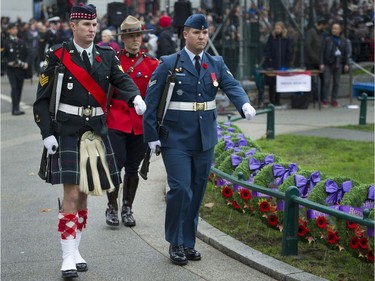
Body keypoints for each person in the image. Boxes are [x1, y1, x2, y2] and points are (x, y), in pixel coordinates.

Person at [33, 4, 146, 279]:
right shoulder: (58, 56)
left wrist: (135, 97)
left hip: (95, 133)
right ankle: (67, 256)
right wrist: (47, 133)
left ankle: (77, 249)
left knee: (83, 194)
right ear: (73, 26)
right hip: (67, 132)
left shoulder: (105, 56)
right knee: (72, 193)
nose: (92, 29)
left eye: (95, 25)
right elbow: (41, 99)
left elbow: (122, 80)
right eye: (86, 25)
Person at [143, 14, 256, 266]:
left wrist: (244, 103)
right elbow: (152, 102)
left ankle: (188, 242)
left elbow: (232, 84)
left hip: (204, 139)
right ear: (185, 34)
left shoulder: (215, 62)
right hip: (176, 139)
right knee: (181, 188)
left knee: (196, 192)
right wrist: (150, 136)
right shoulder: (170, 63)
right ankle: (175, 241)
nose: (202, 37)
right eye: (196, 32)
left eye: (205, 33)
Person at [105, 15, 158, 227]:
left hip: (139, 123)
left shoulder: (152, 63)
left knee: (133, 167)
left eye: (138, 35)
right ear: (123, 39)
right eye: (131, 36)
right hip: (116, 119)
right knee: (114, 165)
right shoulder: (113, 61)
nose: (135, 40)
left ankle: (127, 208)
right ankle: (111, 207)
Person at [320, 21, 350, 108]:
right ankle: (325, 100)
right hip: (328, 63)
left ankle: (334, 99)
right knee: (326, 82)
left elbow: (346, 53)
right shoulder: (327, 39)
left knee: (336, 82)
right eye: (333, 28)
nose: (334, 30)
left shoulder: (344, 41)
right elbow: (322, 51)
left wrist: (346, 64)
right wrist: (321, 63)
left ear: (340, 30)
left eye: (336, 29)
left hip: (338, 63)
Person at [1, 22, 30, 115]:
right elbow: (2, 56)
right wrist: (8, 63)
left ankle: (17, 107)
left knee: (19, 88)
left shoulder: (21, 41)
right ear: (9, 30)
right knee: (14, 87)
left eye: (16, 29)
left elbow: (28, 54)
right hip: (11, 70)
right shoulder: (5, 42)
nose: (15, 31)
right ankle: (14, 109)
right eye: (13, 29)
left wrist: (26, 63)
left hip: (20, 69)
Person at [263, 21, 293, 106]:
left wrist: (287, 63)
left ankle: (277, 99)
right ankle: (271, 100)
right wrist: (269, 59)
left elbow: (289, 51)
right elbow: (267, 49)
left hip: (282, 64)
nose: (277, 30)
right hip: (273, 64)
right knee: (271, 83)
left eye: (278, 28)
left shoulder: (286, 39)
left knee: (279, 83)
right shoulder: (272, 38)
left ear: (282, 29)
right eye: (276, 28)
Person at [304, 17, 328, 103]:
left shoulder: (322, 35)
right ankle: (310, 98)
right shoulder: (311, 32)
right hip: (311, 61)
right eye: (324, 26)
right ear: (321, 25)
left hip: (319, 61)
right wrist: (316, 59)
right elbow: (308, 46)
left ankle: (321, 98)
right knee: (310, 81)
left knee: (323, 79)